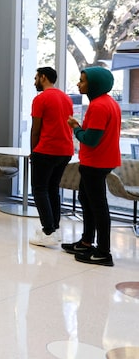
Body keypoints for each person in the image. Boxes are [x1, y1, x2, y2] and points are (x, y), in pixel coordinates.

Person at [64, 66, 121, 266]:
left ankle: (103, 251)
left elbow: (90, 139)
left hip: (96, 162)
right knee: (87, 201)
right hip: (101, 160)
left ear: (94, 84)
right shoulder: (109, 103)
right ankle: (87, 242)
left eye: (83, 81)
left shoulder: (98, 106)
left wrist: (76, 128)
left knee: (97, 206)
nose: (79, 84)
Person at [28, 67, 75, 247]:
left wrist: (33, 150)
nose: (34, 82)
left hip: (46, 149)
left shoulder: (41, 99)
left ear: (43, 77)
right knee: (53, 189)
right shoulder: (66, 98)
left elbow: (36, 129)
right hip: (65, 151)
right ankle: (54, 227)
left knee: (39, 190)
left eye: (36, 78)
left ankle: (48, 231)